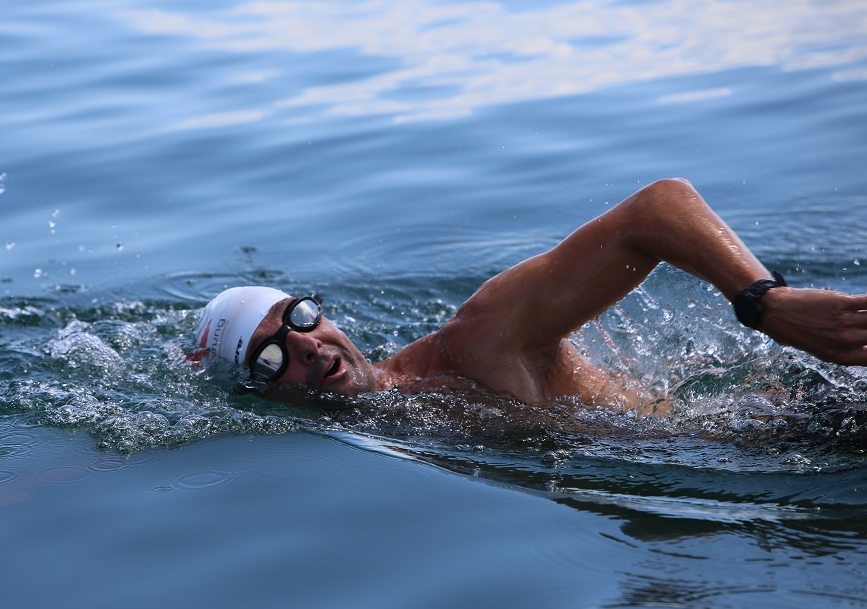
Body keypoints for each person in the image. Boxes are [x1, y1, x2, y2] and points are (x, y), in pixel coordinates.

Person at [190, 179, 867, 411]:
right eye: (271, 358)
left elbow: (656, 211)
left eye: (298, 316)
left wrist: (765, 305)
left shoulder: (476, 342)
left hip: (793, 427)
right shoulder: (395, 426)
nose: (306, 345)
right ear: (259, 392)